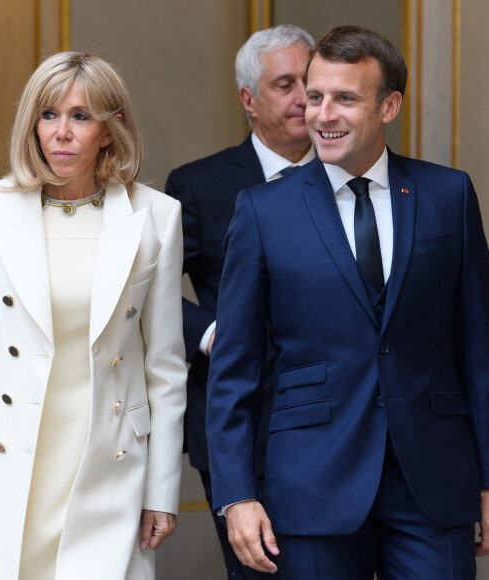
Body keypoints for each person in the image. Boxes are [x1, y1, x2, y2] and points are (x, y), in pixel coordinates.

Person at [207, 24, 489, 578]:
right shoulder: (263, 212)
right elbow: (233, 368)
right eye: (315, 97)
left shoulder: (448, 196)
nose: (322, 115)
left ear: (389, 106)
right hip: (312, 483)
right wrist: (236, 494)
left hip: (433, 481)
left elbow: (478, 348)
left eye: (345, 99)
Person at [0, 52, 187, 580]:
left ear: (110, 131)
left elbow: (166, 369)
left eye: (81, 117)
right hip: (1, 460)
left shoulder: (156, 216)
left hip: (107, 466)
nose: (61, 132)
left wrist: (162, 491)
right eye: (48, 115)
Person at [165, 24, 314, 578]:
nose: (305, 97)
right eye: (286, 84)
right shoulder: (200, 185)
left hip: (340, 424)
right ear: (250, 101)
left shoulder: (353, 178)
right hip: (240, 425)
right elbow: (143, 290)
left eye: (312, 81)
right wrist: (209, 334)